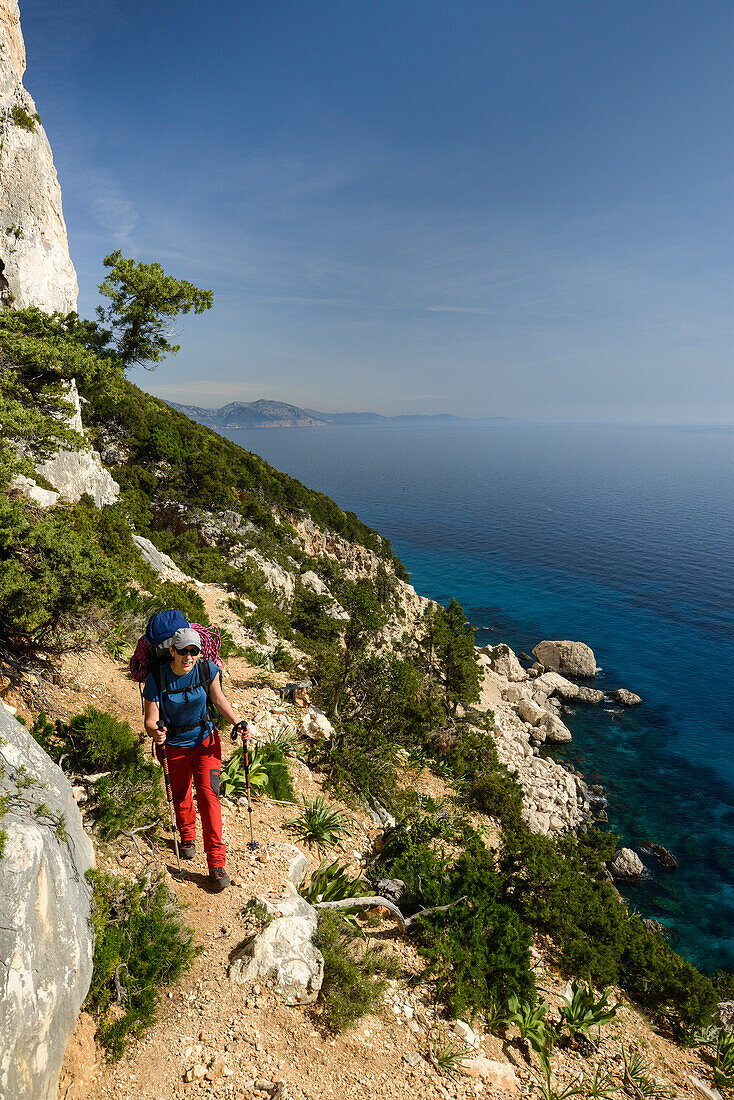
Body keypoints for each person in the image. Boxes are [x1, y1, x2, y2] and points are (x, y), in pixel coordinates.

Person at [143, 627, 249, 891]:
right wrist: (155, 731)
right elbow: (149, 718)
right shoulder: (157, 677)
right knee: (179, 794)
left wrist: (237, 722)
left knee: (209, 797)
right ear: (172, 651)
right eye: (183, 651)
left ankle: (216, 863)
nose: (188, 657)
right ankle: (188, 837)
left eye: (194, 651)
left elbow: (218, 698)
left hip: (205, 742)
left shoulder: (207, 670)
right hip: (173, 747)